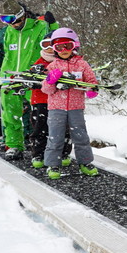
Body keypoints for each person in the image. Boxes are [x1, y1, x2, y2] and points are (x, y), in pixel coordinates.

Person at [39, 28, 99, 178]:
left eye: (68, 46)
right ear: (54, 49)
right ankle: (53, 165)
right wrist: (50, 80)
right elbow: (46, 90)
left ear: (75, 46)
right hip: (56, 108)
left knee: (80, 136)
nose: (64, 50)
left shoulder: (82, 64)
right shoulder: (52, 66)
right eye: (59, 47)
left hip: (76, 107)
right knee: (55, 137)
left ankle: (85, 162)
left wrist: (91, 90)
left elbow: (91, 82)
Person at [0, 11, 52, 159]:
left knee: (40, 114)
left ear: (22, 16)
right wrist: (2, 72)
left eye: (14, 20)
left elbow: (51, 42)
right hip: (11, 77)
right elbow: (6, 52)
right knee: (10, 113)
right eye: (6, 21)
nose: (12, 24)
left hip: (32, 76)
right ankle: (14, 145)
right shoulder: (9, 30)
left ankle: (43, 147)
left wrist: (52, 25)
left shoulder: (39, 26)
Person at [27, 38, 70, 169]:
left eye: (52, 45)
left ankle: (63, 153)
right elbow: (30, 81)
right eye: (45, 45)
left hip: (59, 101)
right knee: (40, 127)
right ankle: (38, 153)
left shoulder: (63, 63)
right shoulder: (37, 64)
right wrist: (34, 76)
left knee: (62, 127)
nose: (49, 48)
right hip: (41, 101)